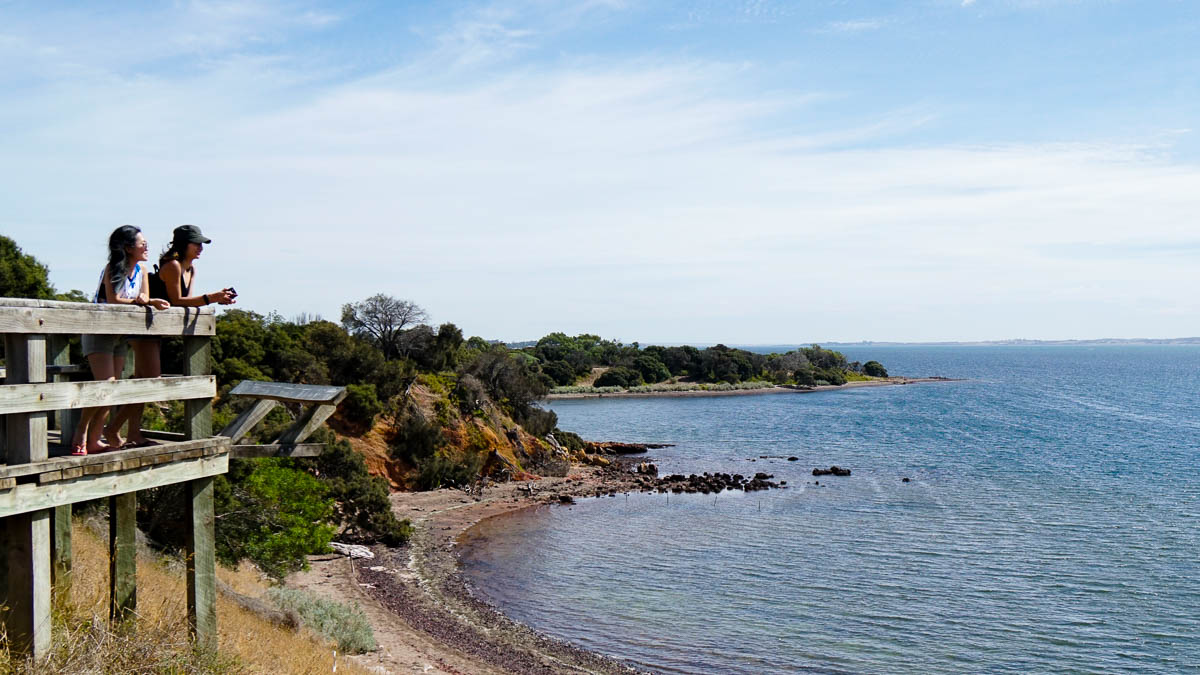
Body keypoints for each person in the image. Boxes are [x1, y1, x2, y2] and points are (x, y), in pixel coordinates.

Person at [107, 225, 236, 446]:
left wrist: (217, 299)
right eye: (196, 244)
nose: (200, 249)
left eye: (201, 244)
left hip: (157, 329)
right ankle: (115, 428)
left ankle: (131, 433)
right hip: (144, 326)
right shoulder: (173, 266)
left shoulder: (191, 269)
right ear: (183, 245)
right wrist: (212, 298)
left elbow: (188, 301)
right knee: (150, 380)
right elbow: (177, 300)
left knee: (143, 381)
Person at [71, 225, 170, 455]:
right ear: (127, 248)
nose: (146, 247)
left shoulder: (142, 270)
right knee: (106, 386)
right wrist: (144, 301)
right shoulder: (112, 268)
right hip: (99, 332)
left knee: (110, 392)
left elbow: (143, 296)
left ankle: (95, 441)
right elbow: (115, 299)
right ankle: (81, 432)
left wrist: (148, 299)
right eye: (141, 243)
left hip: (120, 336)